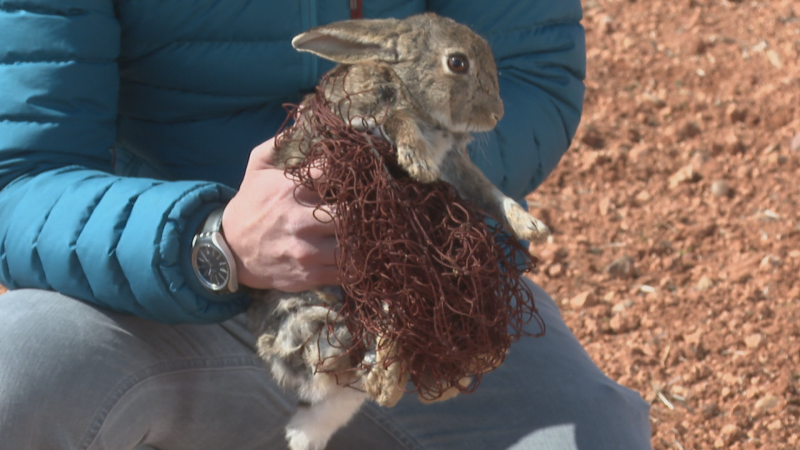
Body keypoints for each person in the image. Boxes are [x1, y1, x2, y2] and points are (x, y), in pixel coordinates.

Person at [0, 1, 653, 449]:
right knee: (19, 375)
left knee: (589, 433)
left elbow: (526, 72)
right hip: (164, 297)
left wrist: (397, 176)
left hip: (416, 298)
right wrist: (213, 241)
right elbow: (24, 176)